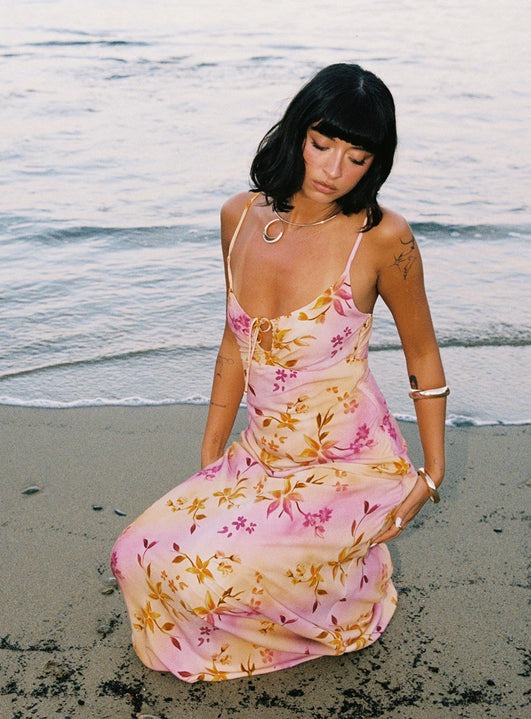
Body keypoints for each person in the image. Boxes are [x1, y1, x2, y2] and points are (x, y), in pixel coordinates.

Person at [111, 63, 448, 683]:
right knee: (134, 555)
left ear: (375, 164)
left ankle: (350, 596)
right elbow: (234, 343)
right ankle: (320, 573)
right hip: (261, 454)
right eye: (321, 144)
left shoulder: (381, 238)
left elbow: (422, 354)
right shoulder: (238, 216)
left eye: (357, 158)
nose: (333, 170)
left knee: (203, 583)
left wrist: (432, 471)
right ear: (297, 132)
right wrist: (212, 449)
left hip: (345, 466)